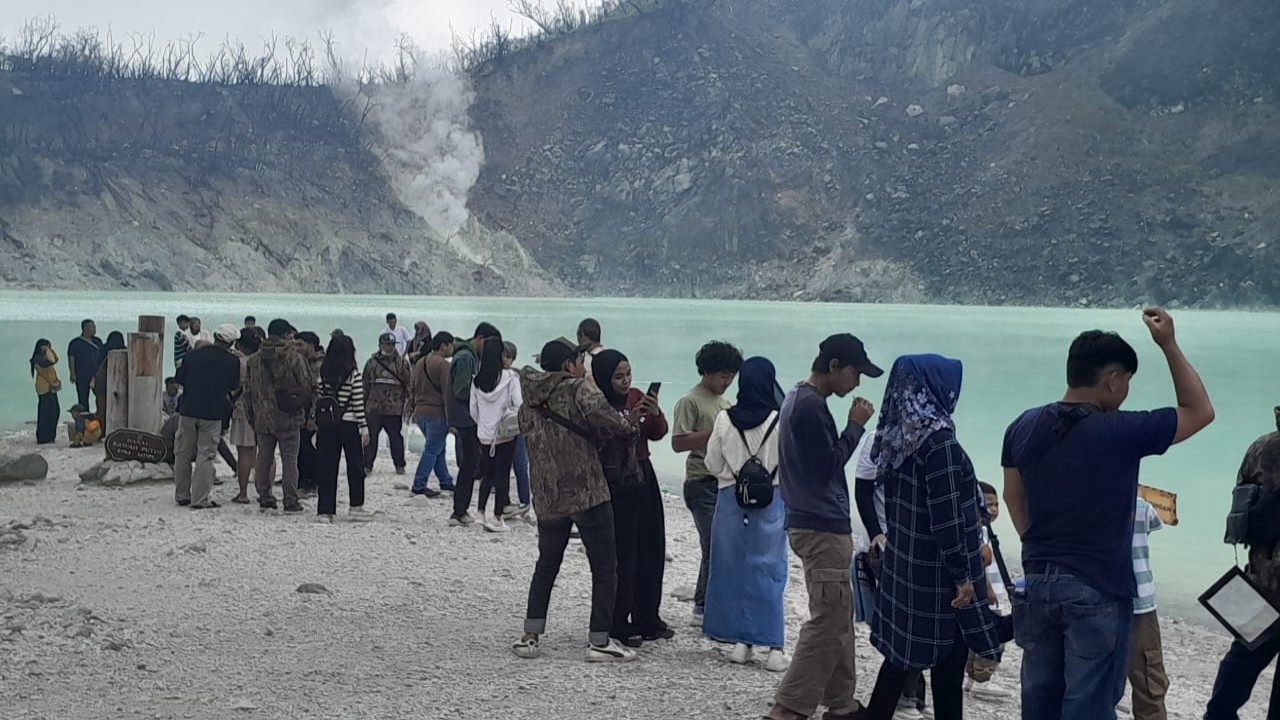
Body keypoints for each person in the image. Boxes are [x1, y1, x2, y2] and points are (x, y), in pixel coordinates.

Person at [1002, 308, 1214, 720]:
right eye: (1127, 382)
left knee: (1040, 703)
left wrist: (1042, 548)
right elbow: (1199, 410)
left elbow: (1013, 498)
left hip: (1037, 583)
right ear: (1112, 380)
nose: (1126, 391)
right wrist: (1168, 344)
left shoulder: (1021, 426)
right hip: (1097, 586)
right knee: (1090, 706)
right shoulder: (1119, 431)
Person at [862, 355, 1001, 720]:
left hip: (906, 565)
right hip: (938, 577)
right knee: (947, 668)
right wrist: (963, 577)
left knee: (899, 659)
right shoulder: (939, 444)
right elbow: (948, 520)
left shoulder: (897, 435)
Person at [767, 333, 882, 720]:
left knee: (838, 613)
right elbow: (827, 465)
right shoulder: (810, 406)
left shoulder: (798, 398)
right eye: (855, 372)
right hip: (820, 526)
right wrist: (855, 426)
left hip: (810, 519)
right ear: (834, 366)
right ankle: (788, 708)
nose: (857, 382)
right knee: (828, 620)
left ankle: (842, 702)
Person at [510, 337, 640, 663]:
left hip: (547, 494)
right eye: (580, 361)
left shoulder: (528, 401)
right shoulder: (579, 389)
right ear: (569, 364)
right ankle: (599, 640)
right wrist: (632, 425)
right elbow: (615, 424)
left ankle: (531, 635)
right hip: (587, 490)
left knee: (547, 564)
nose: (583, 367)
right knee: (604, 566)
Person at [703, 356, 790, 672]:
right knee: (769, 570)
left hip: (731, 500)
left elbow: (711, 464)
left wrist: (735, 470)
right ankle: (775, 647)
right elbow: (790, 463)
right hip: (772, 500)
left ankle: (742, 642)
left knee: (734, 570)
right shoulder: (781, 419)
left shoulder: (725, 419)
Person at [1204, 406, 1280, 720]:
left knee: (1239, 665)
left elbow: (1238, 522)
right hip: (1264, 582)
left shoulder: (1261, 447)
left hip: (1262, 582)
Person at [853, 435, 933, 720]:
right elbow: (862, 491)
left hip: (918, 546)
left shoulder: (932, 435)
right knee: (905, 624)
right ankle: (907, 698)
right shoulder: (877, 439)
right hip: (886, 548)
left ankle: (910, 696)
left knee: (911, 622)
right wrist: (876, 534)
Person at [672, 341, 743, 627]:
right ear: (708, 372)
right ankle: (703, 606)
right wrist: (714, 434)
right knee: (713, 545)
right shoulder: (690, 401)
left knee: (723, 544)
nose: (727, 382)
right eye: (723, 376)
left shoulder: (725, 403)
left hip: (724, 481)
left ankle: (709, 603)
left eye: (731, 377)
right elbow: (678, 443)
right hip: (700, 480)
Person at [244, 319, 315, 513]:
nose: (292, 340)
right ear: (285, 336)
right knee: (290, 460)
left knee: (263, 459)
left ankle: (264, 495)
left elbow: (247, 392)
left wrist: (252, 417)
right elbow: (307, 385)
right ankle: (290, 500)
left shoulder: (254, 360)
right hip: (289, 417)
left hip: (262, 417)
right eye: (291, 336)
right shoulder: (294, 358)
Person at [173, 324, 241, 510]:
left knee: (183, 453)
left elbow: (180, 379)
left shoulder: (192, 356)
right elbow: (233, 385)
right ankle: (199, 499)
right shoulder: (231, 361)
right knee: (206, 455)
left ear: (216, 337)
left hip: (188, 410)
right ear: (231, 342)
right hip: (212, 413)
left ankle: (182, 494)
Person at [447, 323, 502, 526]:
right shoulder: (465, 358)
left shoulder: (467, 357)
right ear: (479, 339)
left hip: (466, 418)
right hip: (466, 418)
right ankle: (459, 510)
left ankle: (462, 509)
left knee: (471, 464)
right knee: (470, 465)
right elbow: (461, 389)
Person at [314, 334, 370, 522]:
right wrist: (364, 427)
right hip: (349, 423)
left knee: (327, 467)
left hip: (328, 424)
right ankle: (356, 506)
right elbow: (358, 403)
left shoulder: (323, 372)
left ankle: (325, 510)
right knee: (355, 466)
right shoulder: (353, 374)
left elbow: (320, 398)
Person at [471, 337, 523, 532]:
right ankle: (497, 517)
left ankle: (480, 513)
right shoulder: (511, 378)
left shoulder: (476, 381)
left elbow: (473, 410)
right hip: (505, 433)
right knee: (503, 475)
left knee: (487, 473)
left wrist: (484, 424)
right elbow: (518, 404)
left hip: (485, 434)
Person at [1127, 495, 1167, 720]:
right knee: (1148, 681)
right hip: (1141, 601)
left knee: (1096, 680)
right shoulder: (1141, 506)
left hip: (1099, 596)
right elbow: (1155, 523)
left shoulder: (1088, 500)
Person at [410, 332, 455, 497]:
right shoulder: (443, 365)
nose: (452, 348)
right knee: (432, 449)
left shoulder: (421, 362)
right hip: (436, 413)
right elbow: (447, 394)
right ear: (444, 346)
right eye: (451, 345)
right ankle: (419, 484)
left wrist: (411, 409)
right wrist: (451, 419)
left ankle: (445, 480)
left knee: (438, 448)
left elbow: (412, 387)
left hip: (420, 412)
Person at [362, 333, 411, 475]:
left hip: (394, 409)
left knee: (396, 438)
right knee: (371, 439)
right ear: (380, 344)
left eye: (392, 344)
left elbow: (408, 385)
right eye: (387, 344)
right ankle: (367, 465)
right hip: (373, 408)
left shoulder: (402, 363)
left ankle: (399, 465)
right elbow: (365, 384)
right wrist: (362, 405)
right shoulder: (372, 362)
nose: (389, 347)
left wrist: (409, 405)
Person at [501, 342, 533, 516]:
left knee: (521, 465)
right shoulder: (497, 376)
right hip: (502, 427)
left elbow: (522, 402)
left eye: (508, 356)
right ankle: (505, 501)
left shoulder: (516, 376)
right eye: (503, 355)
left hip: (516, 425)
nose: (505, 359)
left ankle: (525, 502)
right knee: (503, 466)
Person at [228, 330, 260, 504]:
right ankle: (265, 491)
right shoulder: (262, 362)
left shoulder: (239, 363)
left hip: (242, 410)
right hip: (263, 410)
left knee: (244, 452)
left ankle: (243, 493)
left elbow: (232, 386)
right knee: (264, 452)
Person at [295, 331, 325, 495]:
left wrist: (313, 416)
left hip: (313, 414)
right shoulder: (301, 363)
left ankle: (310, 483)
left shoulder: (319, 365)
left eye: (300, 344)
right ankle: (303, 480)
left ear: (311, 346)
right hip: (301, 412)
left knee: (309, 448)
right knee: (301, 447)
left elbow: (318, 394)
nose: (297, 348)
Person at [67, 319, 104, 409]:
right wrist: (72, 373)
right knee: (83, 397)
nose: (94, 329)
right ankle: (84, 418)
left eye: (95, 326)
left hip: (96, 374)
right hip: (81, 374)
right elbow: (71, 358)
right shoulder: (75, 343)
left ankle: (99, 415)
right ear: (85, 328)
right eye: (92, 327)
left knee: (100, 396)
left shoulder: (97, 341)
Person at [30, 339, 61, 445]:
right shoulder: (38, 359)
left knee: (55, 411)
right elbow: (50, 361)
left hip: (51, 387)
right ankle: (43, 437)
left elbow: (56, 359)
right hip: (44, 388)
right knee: (45, 413)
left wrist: (50, 350)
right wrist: (47, 351)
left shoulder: (46, 357)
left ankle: (50, 435)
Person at [93, 331, 125, 425]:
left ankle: (101, 429)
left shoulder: (102, 350)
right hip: (120, 385)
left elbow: (95, 365)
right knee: (119, 408)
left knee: (102, 409)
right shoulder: (124, 351)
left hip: (102, 384)